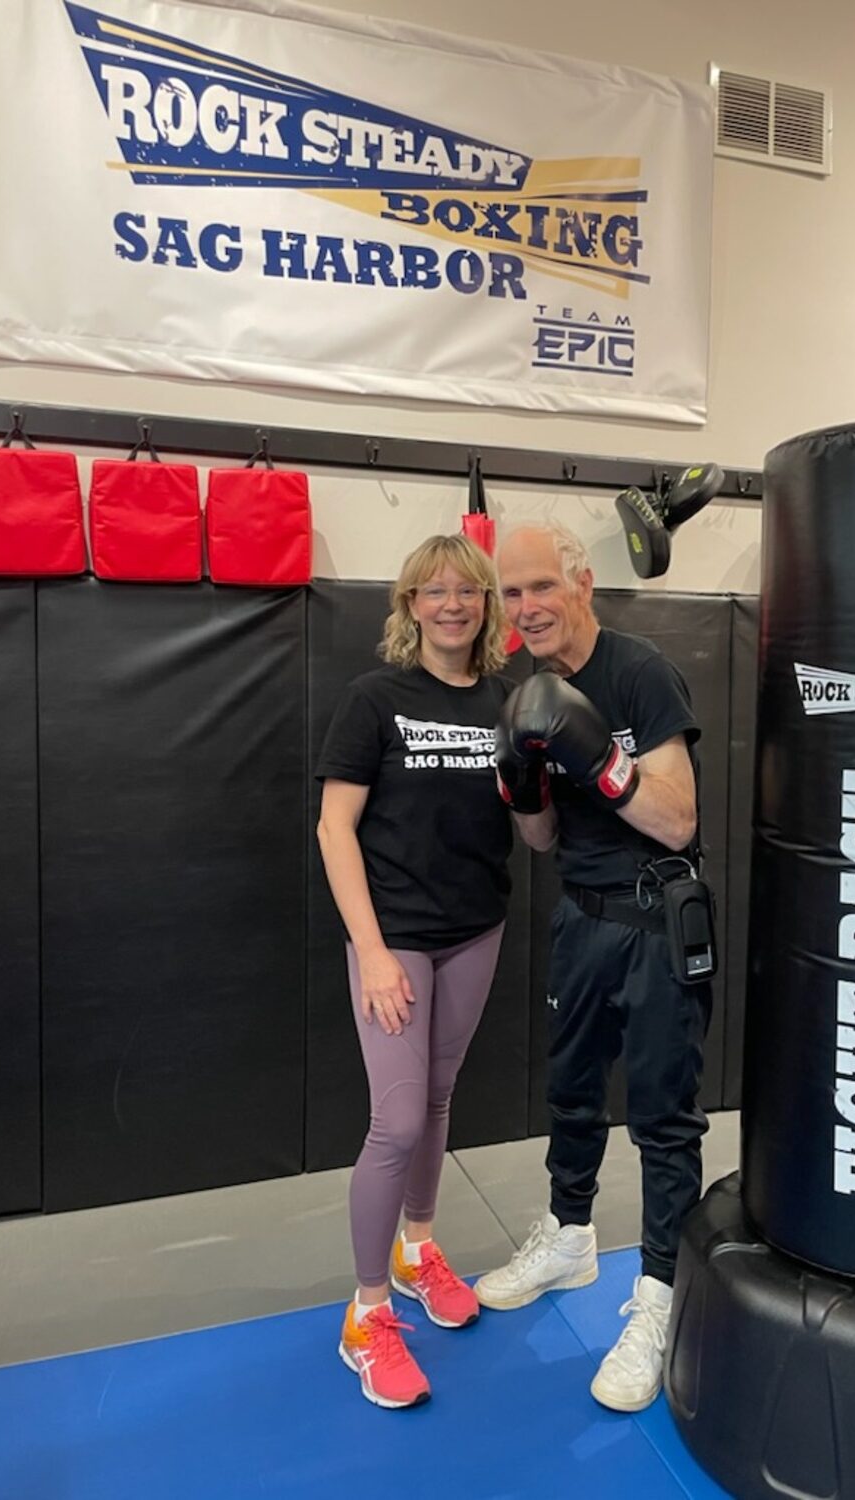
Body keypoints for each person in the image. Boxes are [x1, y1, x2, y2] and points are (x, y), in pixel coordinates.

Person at [476, 523, 712, 1413]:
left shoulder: (639, 672)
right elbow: (539, 838)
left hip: (656, 919)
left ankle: (659, 1295)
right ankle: (569, 1237)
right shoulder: (527, 689)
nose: (526, 607)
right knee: (572, 1090)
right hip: (581, 917)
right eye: (512, 594)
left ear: (581, 585)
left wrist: (599, 760)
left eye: (540, 587)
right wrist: (520, 783)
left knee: (662, 1114)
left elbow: (680, 822)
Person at [315, 534, 515, 1410]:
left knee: (436, 1100)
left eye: (465, 591)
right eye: (432, 592)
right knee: (395, 1124)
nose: (450, 605)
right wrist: (368, 949)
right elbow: (333, 830)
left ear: (484, 606)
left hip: (475, 929)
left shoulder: (510, 703)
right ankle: (364, 1317)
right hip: (393, 937)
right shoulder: (375, 699)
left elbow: (533, 828)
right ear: (409, 606)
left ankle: (417, 1250)